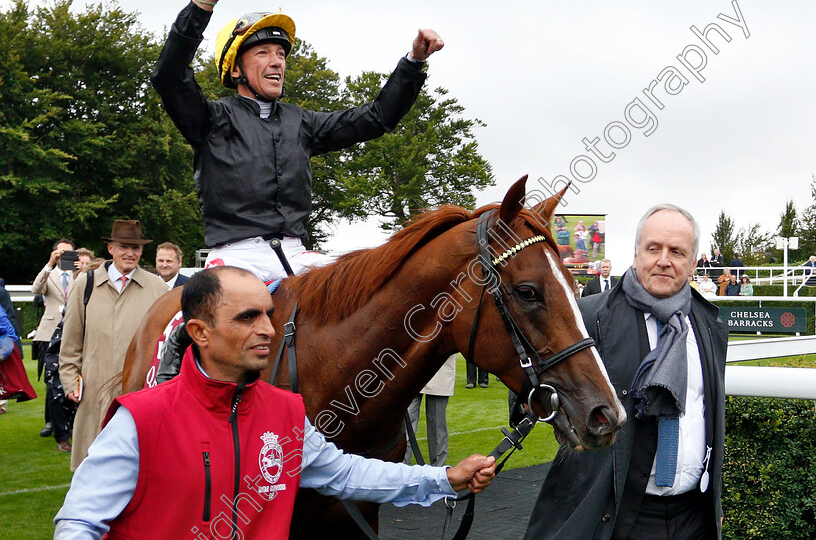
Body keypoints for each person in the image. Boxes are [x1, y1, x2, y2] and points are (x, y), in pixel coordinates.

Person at [54, 267, 496, 539]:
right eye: (248, 317)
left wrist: (444, 478)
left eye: (267, 313)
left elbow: (346, 473)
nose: (267, 328)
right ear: (200, 333)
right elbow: (79, 523)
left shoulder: (286, 412)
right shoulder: (140, 418)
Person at [150, 0, 444, 282]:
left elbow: (377, 117)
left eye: (280, 53)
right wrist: (202, 4)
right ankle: (175, 337)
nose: (277, 61)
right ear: (235, 69)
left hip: (297, 253)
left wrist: (413, 63)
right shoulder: (212, 119)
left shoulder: (301, 122)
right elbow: (169, 77)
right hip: (234, 257)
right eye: (262, 53)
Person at [525, 204, 728, 540]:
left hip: (694, 517)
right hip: (615, 518)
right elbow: (529, 393)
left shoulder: (708, 325)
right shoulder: (586, 318)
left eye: (676, 251)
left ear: (693, 264)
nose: (663, 259)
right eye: (654, 248)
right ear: (636, 255)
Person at [58, 220, 169, 470]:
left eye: (136, 248)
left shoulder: (158, 288)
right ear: (111, 249)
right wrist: (69, 381)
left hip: (139, 396)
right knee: (90, 470)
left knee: (136, 469)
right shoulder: (84, 285)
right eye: (123, 246)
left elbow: (167, 347)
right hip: (93, 394)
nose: (130, 253)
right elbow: (71, 342)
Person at [31, 238, 76, 439]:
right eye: (61, 252)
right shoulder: (49, 275)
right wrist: (50, 264)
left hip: (73, 331)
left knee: (72, 377)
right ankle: (51, 421)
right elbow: (36, 289)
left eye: (68, 252)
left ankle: (71, 421)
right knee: (51, 380)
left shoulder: (79, 275)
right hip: (49, 332)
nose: (64, 255)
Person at [404, 355, 456, 467]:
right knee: (406, 426)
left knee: (437, 427)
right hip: (414, 367)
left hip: (440, 368)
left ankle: (438, 470)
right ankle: (401, 468)